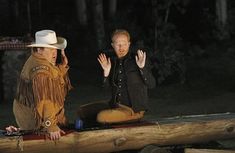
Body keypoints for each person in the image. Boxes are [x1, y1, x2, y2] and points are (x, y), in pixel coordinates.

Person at [77, 29, 155, 125]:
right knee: (82, 111)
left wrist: (142, 68)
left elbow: (152, 84)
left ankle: (104, 121)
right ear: (113, 45)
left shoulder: (138, 60)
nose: (121, 47)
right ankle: (99, 123)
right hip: (114, 106)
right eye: (118, 44)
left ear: (129, 44)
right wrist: (106, 73)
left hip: (133, 110)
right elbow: (104, 89)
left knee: (102, 117)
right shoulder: (112, 63)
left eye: (124, 44)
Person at [11, 30, 72, 140]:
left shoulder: (40, 60)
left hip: (32, 115)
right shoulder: (40, 71)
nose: (54, 53)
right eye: (49, 49)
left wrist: (62, 66)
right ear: (39, 49)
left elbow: (52, 78)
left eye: (55, 48)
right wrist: (50, 125)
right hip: (35, 120)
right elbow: (44, 99)